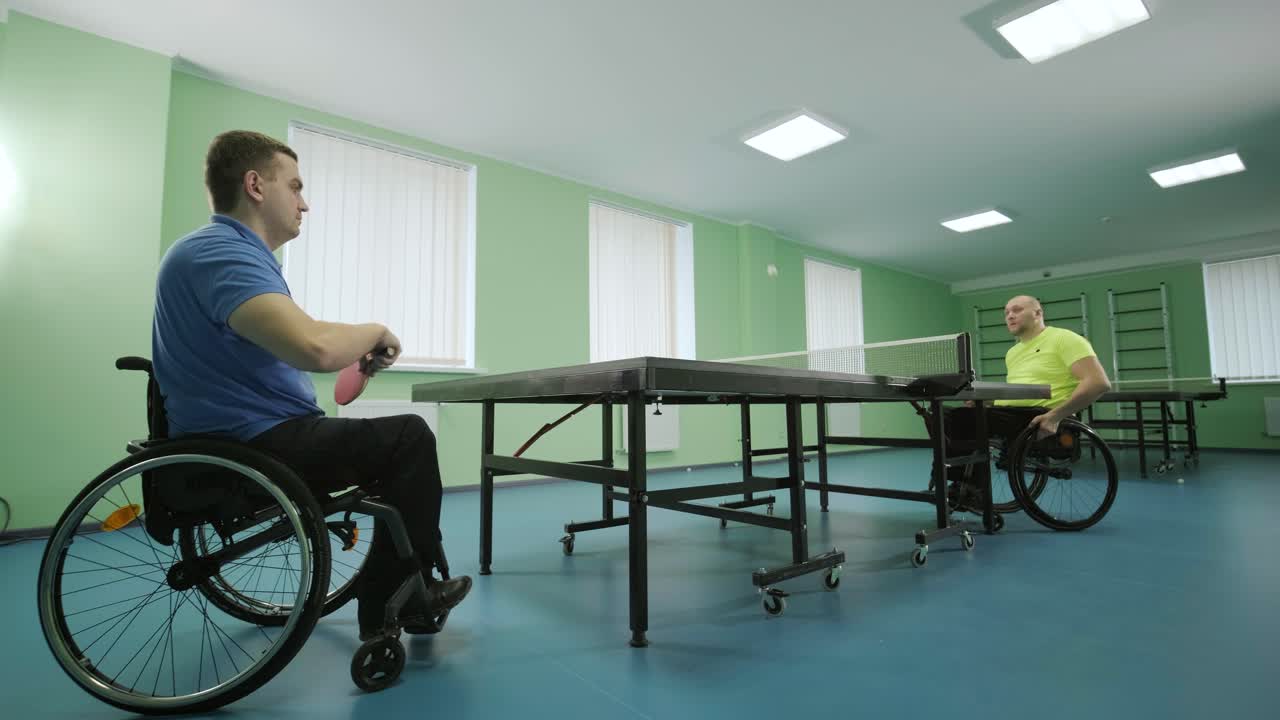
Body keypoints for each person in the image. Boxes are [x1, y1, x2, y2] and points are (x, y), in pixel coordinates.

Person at [151, 129, 471, 640]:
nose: (306, 203)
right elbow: (316, 348)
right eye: (295, 187)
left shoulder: (232, 256)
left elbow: (305, 337)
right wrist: (376, 330)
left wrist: (351, 347)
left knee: (382, 446)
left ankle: (409, 581)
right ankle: (397, 601)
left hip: (250, 434)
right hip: (251, 444)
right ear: (256, 185)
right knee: (409, 437)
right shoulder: (220, 253)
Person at [935, 294, 1111, 504]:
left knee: (960, 418)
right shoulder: (1013, 352)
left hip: (1041, 414)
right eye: (1006, 312)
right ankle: (962, 482)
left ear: (1038, 313)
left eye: (1017, 310)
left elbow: (1098, 383)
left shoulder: (1065, 339)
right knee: (939, 415)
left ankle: (966, 486)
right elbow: (1018, 392)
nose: (1009, 316)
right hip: (1013, 413)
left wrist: (1055, 416)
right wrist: (987, 402)